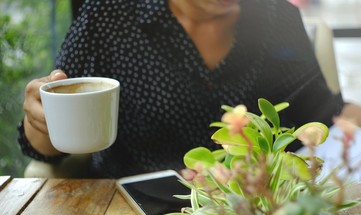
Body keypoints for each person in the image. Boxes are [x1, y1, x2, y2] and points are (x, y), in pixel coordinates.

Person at [18, 0, 361, 178]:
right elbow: (48, 148)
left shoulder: (277, 17)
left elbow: (322, 115)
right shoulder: (108, 14)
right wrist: (42, 118)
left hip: (252, 212)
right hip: (128, 211)